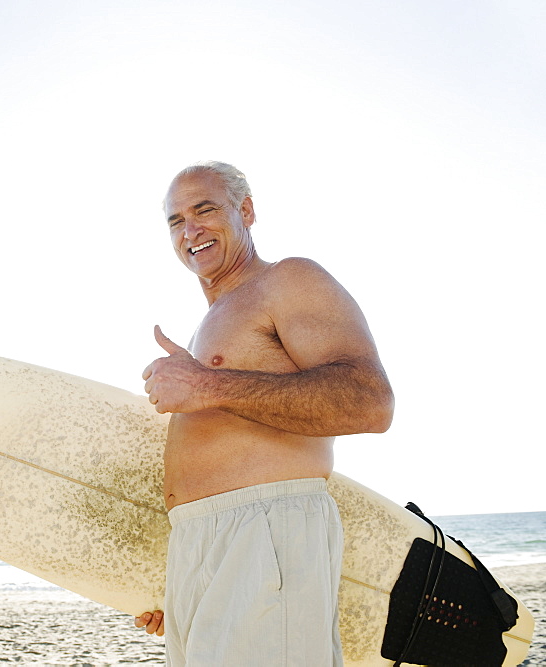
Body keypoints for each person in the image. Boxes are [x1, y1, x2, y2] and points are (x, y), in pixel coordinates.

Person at [135, 162, 394, 665]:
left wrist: (207, 385)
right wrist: (184, 573)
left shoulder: (287, 281)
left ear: (246, 211)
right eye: (175, 220)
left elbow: (371, 401)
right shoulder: (210, 321)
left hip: (265, 533)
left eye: (204, 210)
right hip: (201, 548)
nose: (190, 230)